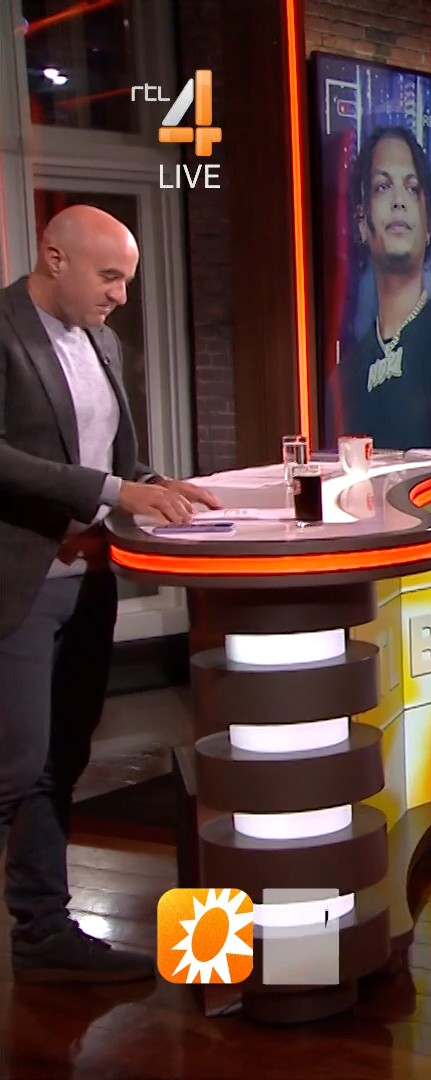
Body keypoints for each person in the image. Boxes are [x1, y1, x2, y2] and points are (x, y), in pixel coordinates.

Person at [0, 205, 219, 980]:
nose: (121, 296)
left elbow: (119, 460)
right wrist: (115, 490)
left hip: (88, 582)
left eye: (127, 280)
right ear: (54, 257)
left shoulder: (104, 341)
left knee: (61, 759)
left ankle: (42, 935)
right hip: (18, 584)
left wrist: (157, 483)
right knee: (15, 766)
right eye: (110, 277)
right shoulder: (2, 331)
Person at [336, 125, 431, 450]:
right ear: (361, 222)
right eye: (383, 187)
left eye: (412, 188)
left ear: (429, 225)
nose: (399, 201)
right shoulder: (344, 377)